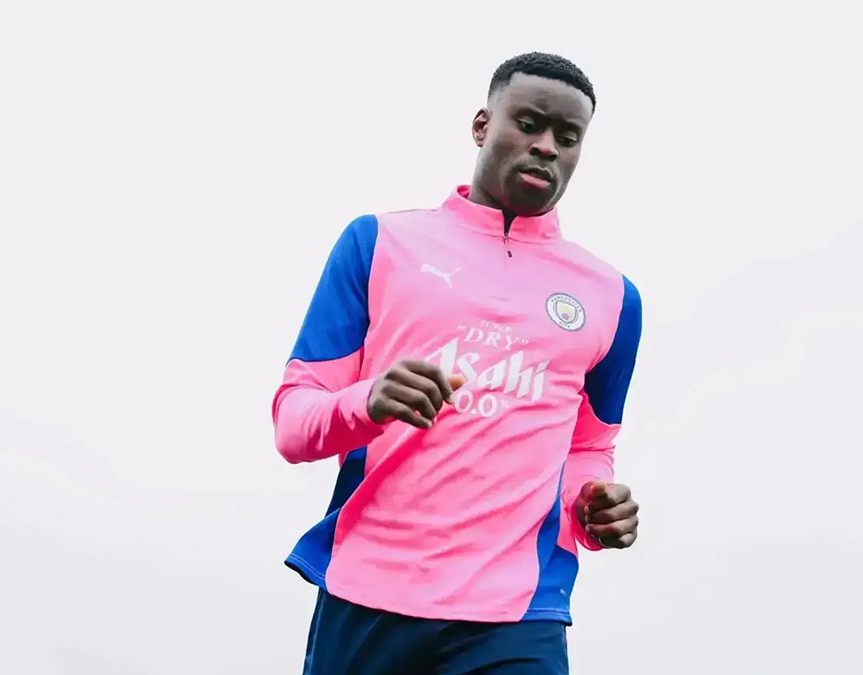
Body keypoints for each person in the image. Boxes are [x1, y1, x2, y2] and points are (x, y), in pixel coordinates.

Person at [270, 51, 643, 674]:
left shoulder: (612, 297)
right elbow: (293, 422)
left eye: (567, 138)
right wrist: (368, 402)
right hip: (370, 593)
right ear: (482, 125)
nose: (546, 146)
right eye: (528, 124)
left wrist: (591, 504)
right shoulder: (378, 242)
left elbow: (590, 446)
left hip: (519, 613)